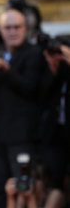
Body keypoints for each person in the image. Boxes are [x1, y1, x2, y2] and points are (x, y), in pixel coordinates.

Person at [0, 9, 45, 183]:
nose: (12, 32)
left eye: (16, 27)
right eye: (7, 27)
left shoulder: (34, 53)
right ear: (0, 30)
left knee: (22, 187)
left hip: (20, 137)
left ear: (25, 28)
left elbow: (31, 89)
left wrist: (7, 69)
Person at [40, 45, 70, 186]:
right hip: (55, 134)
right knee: (54, 180)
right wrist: (52, 70)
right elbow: (39, 96)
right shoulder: (57, 72)